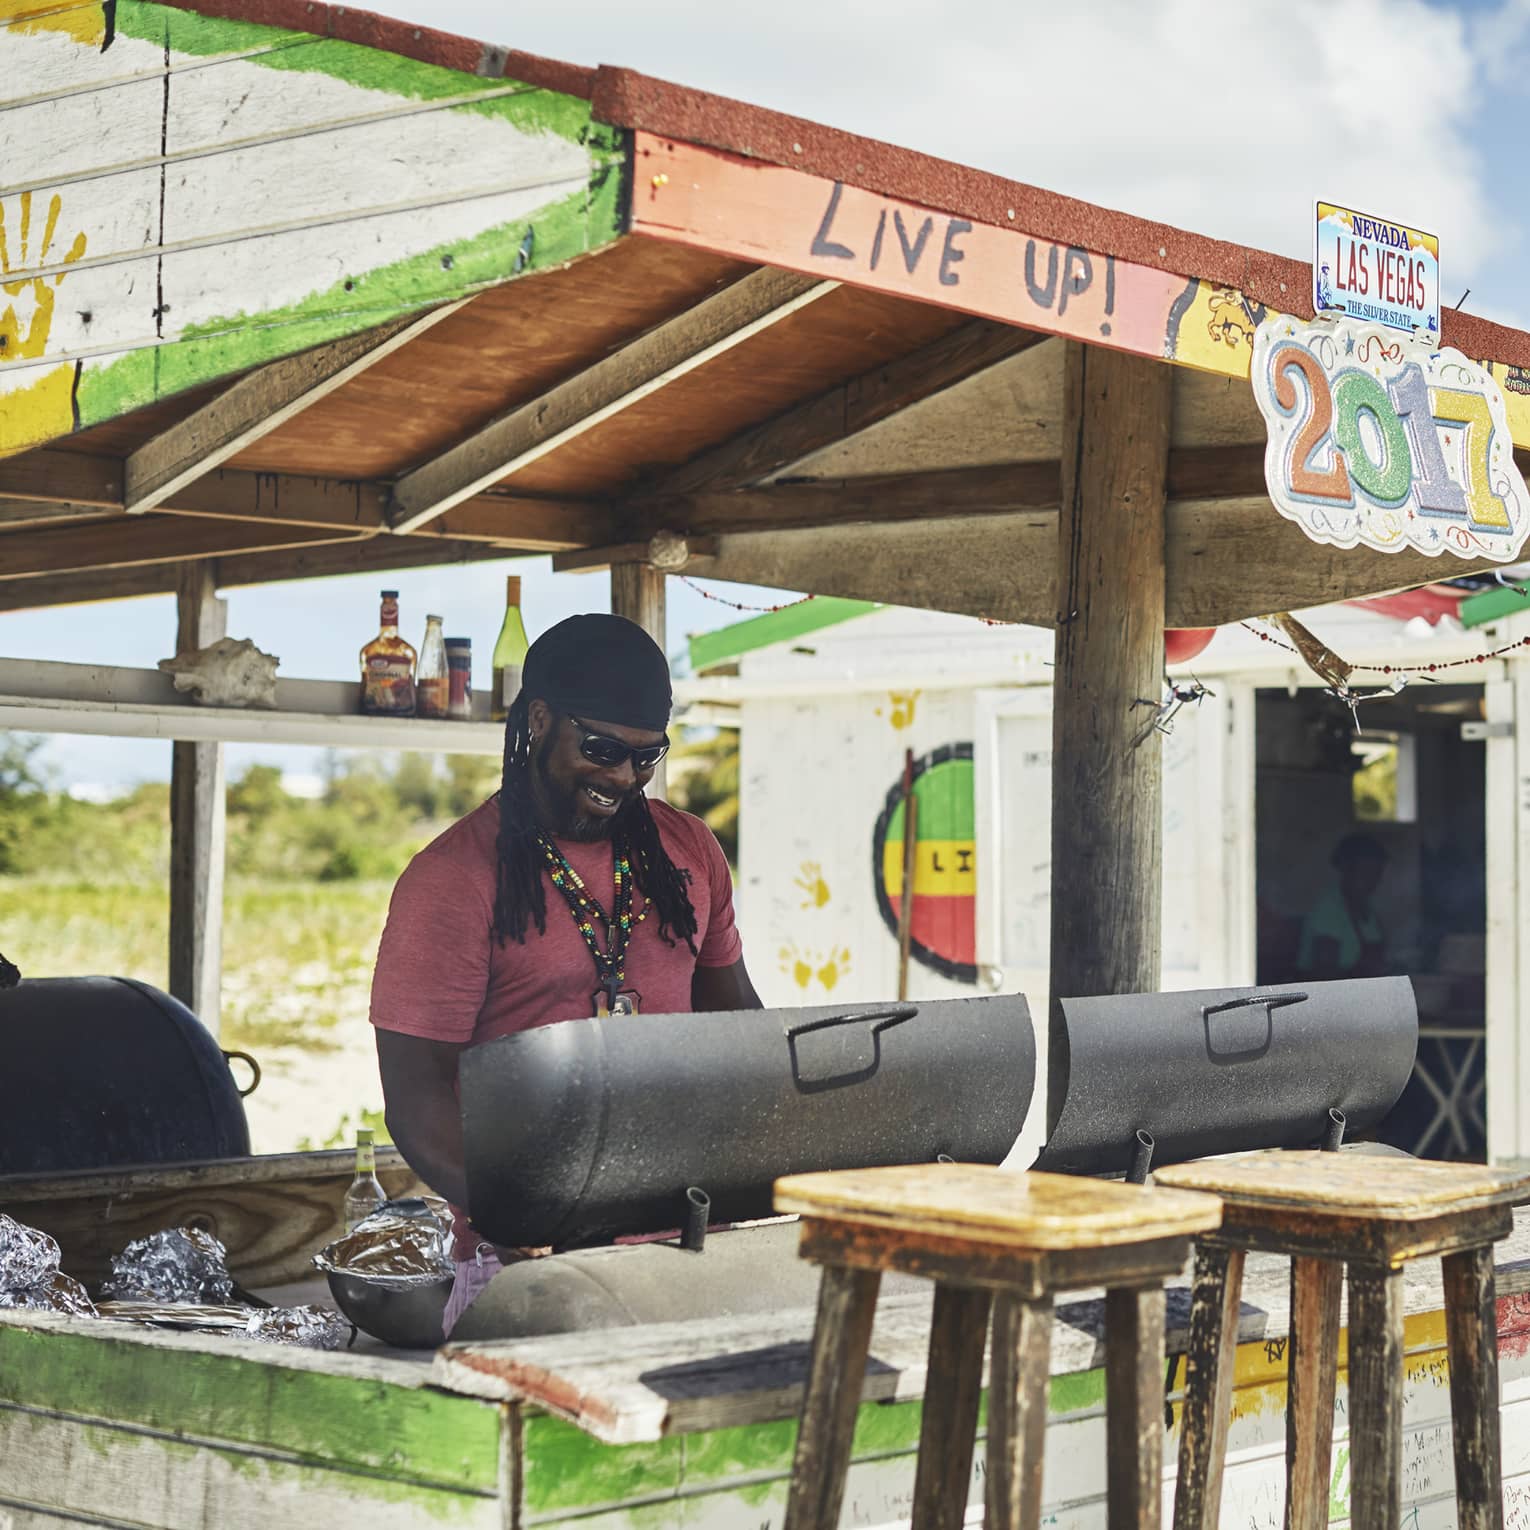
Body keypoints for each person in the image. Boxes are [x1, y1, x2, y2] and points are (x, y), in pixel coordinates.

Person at [369, 612, 761, 1333]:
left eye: (646, 759)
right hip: (525, 1269)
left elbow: (739, 1031)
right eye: (603, 749)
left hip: (688, 1247)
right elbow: (416, 1097)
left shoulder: (691, 851)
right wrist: (530, 1216)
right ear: (540, 719)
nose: (622, 778)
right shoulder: (452, 879)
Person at [1296, 832, 1389, 982]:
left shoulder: (1367, 909)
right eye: (1366, 873)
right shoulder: (1328, 911)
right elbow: (1325, 975)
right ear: (1347, 870)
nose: (1373, 882)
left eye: (1377, 874)